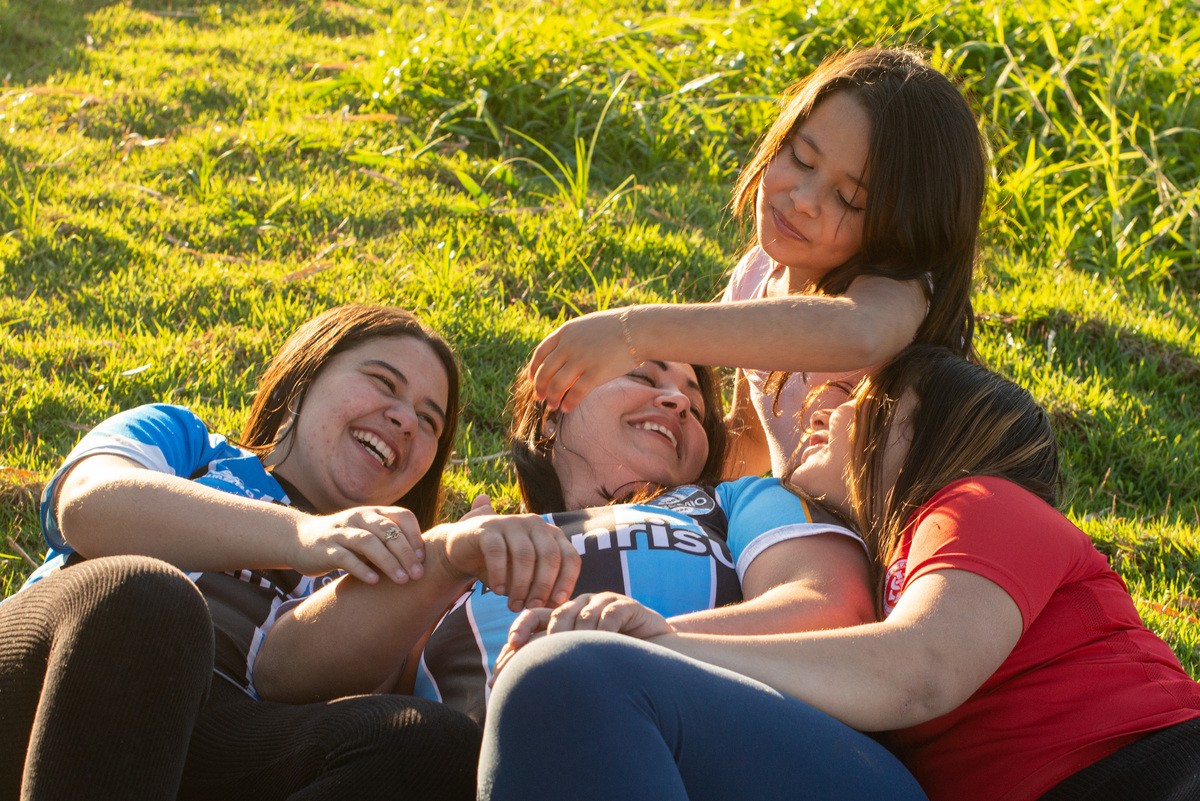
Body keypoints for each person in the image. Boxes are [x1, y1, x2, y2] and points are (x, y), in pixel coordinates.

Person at [482, 345, 1200, 801]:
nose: (824, 408)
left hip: (1151, 770)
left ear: (924, 434)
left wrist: (659, 643)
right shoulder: (891, 562)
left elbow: (920, 668)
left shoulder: (978, 503)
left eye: (863, 402)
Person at [17, 304, 580, 801]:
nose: (406, 420)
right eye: (384, 384)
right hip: (51, 688)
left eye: (428, 421)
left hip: (219, 732)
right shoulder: (189, 443)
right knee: (151, 597)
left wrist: (445, 563)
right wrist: (303, 537)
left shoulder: (385, 575)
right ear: (304, 377)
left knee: (428, 740)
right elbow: (87, 506)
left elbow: (300, 679)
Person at [409, 358, 923, 797]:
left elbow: (828, 609)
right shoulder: (472, 543)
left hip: (767, 758)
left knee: (562, 675)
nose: (678, 401)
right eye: (644, 376)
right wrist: (446, 557)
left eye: (696, 408)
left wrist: (649, 642)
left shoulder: (735, 500)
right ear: (549, 414)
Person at [524, 47, 986, 479]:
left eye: (849, 199)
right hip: (805, 533)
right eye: (802, 160)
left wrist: (632, 333)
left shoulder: (901, 292)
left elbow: (859, 333)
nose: (803, 200)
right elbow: (748, 442)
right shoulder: (755, 276)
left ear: (905, 229)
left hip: (921, 546)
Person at [0, 555, 214, 799]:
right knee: (150, 602)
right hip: (66, 648)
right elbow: (83, 519)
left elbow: (264, 674)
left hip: (217, 708)